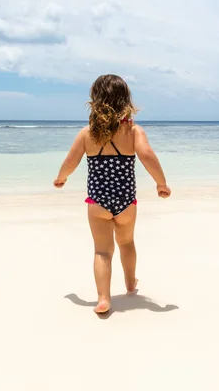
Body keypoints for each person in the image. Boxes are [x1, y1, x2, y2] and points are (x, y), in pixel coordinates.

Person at [54, 74, 171, 314]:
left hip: (97, 202)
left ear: (95, 101)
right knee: (126, 243)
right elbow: (147, 156)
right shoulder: (133, 131)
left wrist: (62, 177)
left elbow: (71, 161)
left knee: (102, 251)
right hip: (126, 201)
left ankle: (103, 299)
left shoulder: (87, 134)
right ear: (125, 100)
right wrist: (161, 183)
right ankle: (130, 284)